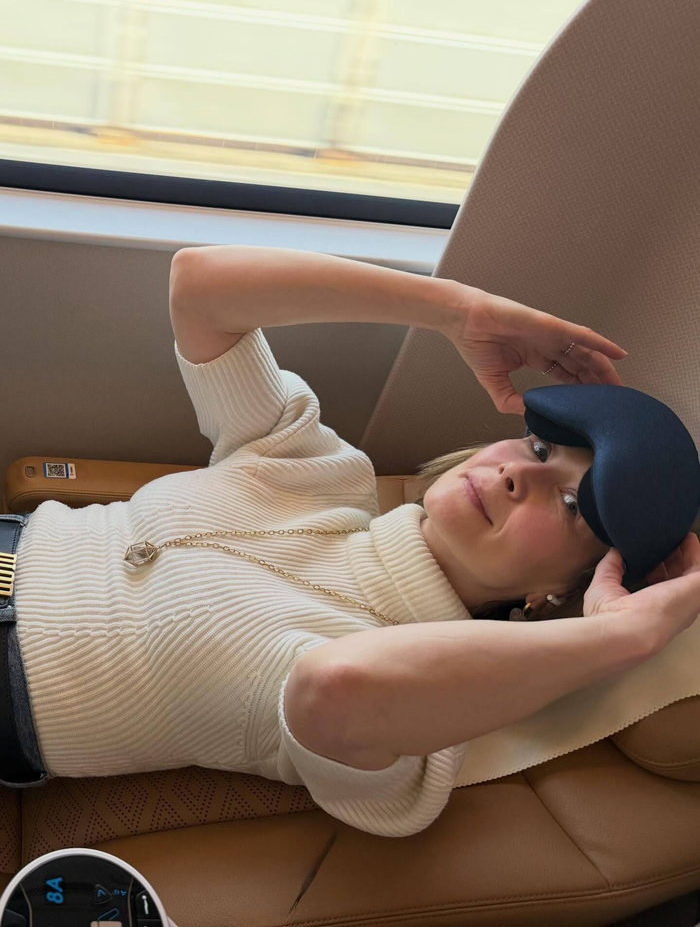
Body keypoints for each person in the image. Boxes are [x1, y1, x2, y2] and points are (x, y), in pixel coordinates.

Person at [2, 246, 700, 842]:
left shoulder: (422, 711)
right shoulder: (320, 470)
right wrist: (458, 311)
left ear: (558, 594)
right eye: (539, 446)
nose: (519, 474)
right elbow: (200, 286)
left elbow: (335, 686)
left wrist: (622, 638)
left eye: (572, 504)